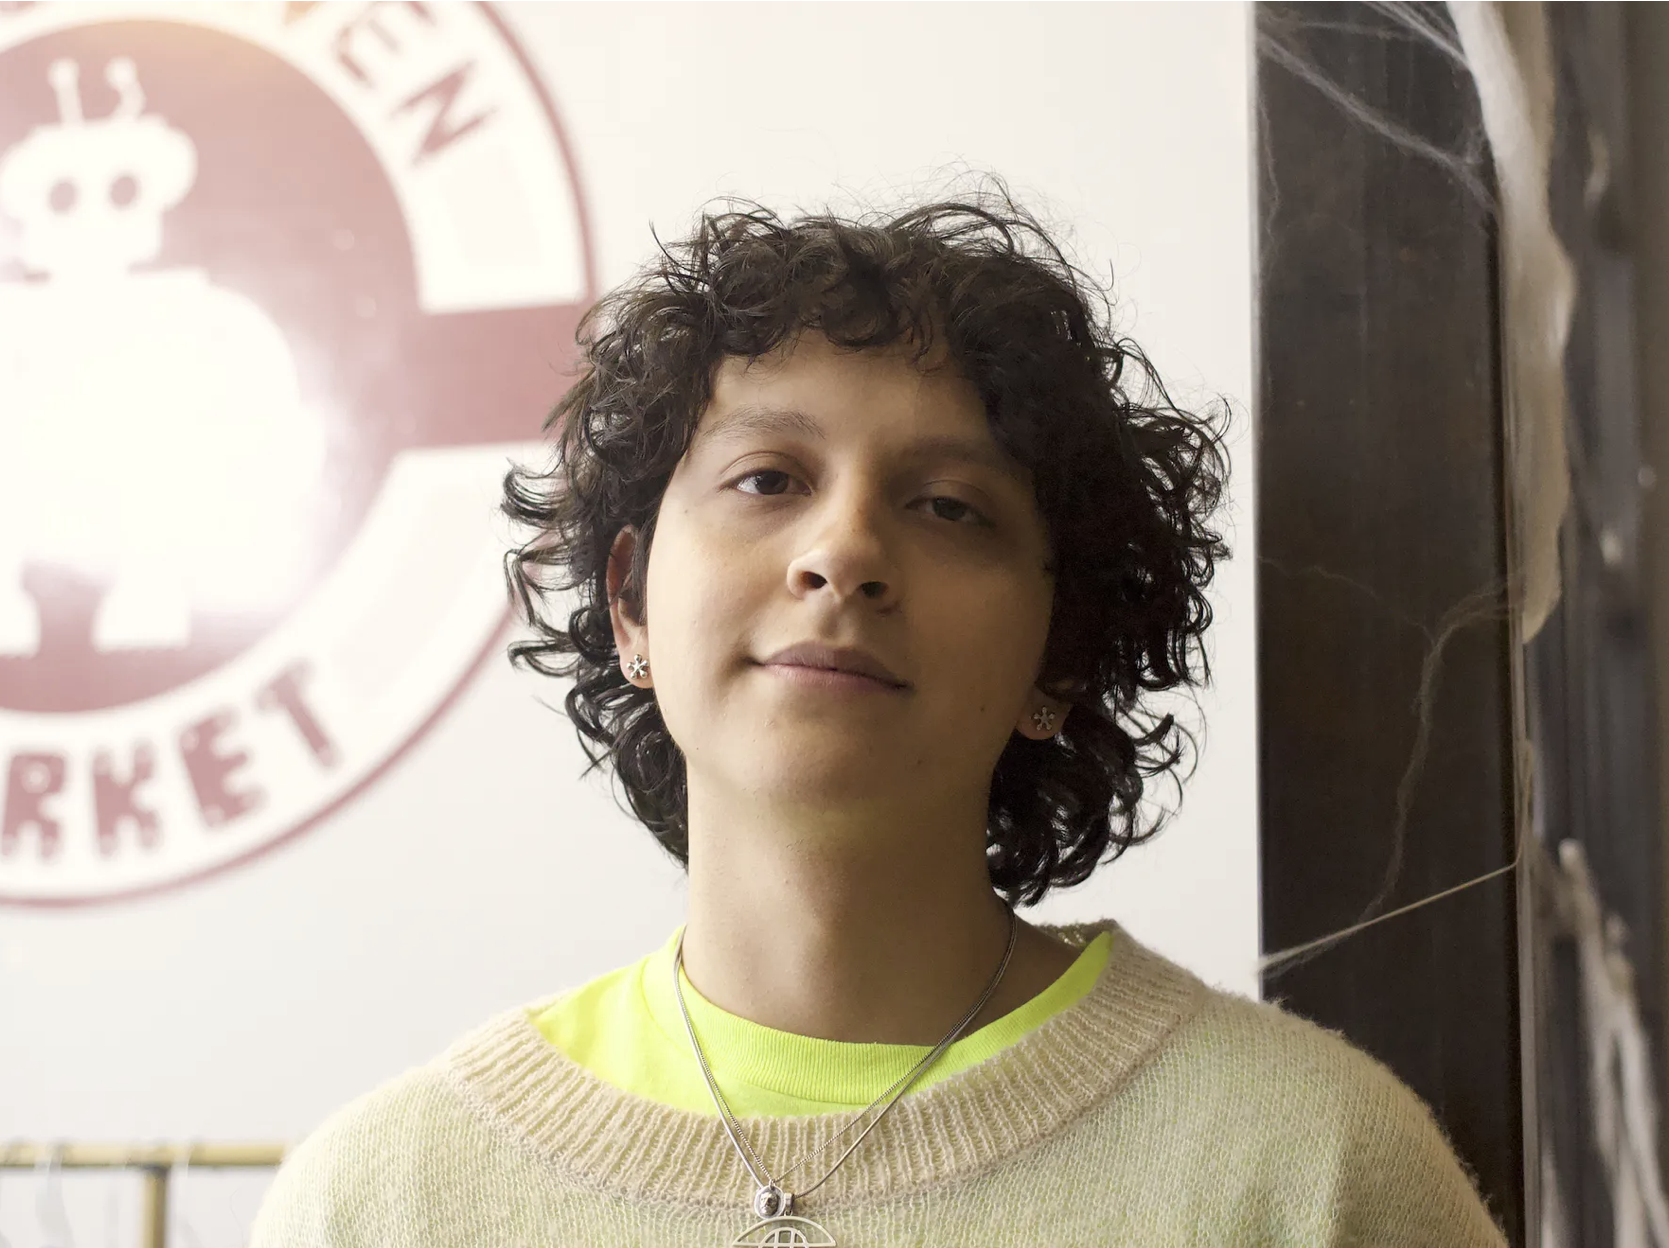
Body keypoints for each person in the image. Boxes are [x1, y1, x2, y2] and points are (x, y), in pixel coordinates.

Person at [248, 191, 1510, 1247]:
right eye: (766, 479)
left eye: (949, 506)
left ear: (1059, 656)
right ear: (629, 603)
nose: (842, 551)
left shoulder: (1310, 1173)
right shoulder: (382, 1201)